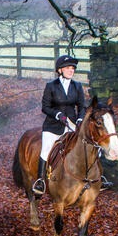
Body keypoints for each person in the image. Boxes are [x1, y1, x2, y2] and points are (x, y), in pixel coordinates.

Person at [32, 55, 86, 196]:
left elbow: (82, 107)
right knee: (46, 150)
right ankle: (40, 181)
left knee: (88, 145)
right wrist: (57, 114)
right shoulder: (51, 86)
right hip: (53, 126)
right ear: (60, 70)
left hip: (73, 124)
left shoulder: (78, 86)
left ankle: (97, 177)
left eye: (73, 68)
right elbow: (45, 107)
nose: (71, 70)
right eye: (68, 68)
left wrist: (80, 119)